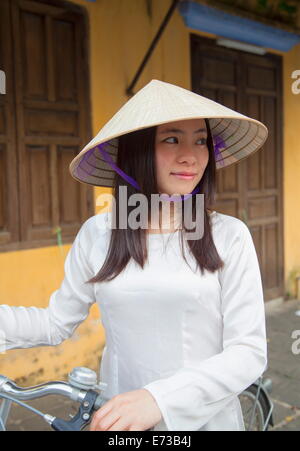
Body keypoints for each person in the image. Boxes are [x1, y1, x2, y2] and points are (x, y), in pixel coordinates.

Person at [0, 79, 269, 431]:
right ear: (135, 151)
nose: (191, 155)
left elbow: (248, 353)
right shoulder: (98, 234)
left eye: (201, 140)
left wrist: (159, 400)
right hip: (119, 423)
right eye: (172, 139)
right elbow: (55, 322)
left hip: (206, 422)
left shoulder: (229, 236)